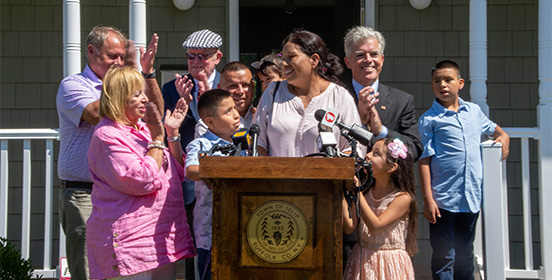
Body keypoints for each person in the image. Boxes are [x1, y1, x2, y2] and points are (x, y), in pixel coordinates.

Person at [56, 25, 161, 279]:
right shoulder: (73, 86)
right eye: (112, 56)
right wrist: (123, 87)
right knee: (89, 271)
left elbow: (155, 111)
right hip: (84, 193)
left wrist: (146, 74)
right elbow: (95, 114)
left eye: (123, 57)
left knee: (122, 272)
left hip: (125, 194)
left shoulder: (128, 87)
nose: (119, 62)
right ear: (91, 51)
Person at [86, 66, 196, 279]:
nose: (145, 99)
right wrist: (157, 138)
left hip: (159, 237)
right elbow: (142, 180)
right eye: (137, 94)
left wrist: (171, 134)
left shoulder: (143, 129)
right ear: (119, 98)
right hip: (131, 240)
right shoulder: (106, 135)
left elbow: (174, 173)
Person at [418, 60, 510, 280]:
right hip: (443, 200)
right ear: (432, 86)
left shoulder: (474, 112)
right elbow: (424, 161)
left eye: (448, 80)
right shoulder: (429, 120)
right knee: (444, 256)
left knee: (465, 254)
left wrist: (503, 135)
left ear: (460, 83)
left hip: (470, 198)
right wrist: (428, 199)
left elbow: (493, 129)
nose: (443, 84)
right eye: (437, 81)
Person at [161, 29, 223, 279]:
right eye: (191, 56)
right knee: (191, 251)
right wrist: (184, 103)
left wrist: (205, 99)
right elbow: (168, 129)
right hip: (190, 182)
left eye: (203, 56)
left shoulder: (227, 85)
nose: (196, 61)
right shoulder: (173, 88)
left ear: (217, 57)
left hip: (221, 179)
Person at [254, 29, 363, 157]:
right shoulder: (273, 92)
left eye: (291, 57)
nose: (284, 64)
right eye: (283, 58)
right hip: (278, 176)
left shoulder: (340, 97)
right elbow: (258, 143)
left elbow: (355, 148)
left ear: (314, 60)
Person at [185, 89, 244, 280]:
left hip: (240, 232)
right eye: (227, 111)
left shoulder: (243, 146)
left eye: (234, 108)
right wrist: (221, 172)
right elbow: (191, 170)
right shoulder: (201, 145)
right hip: (210, 233)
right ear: (209, 121)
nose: (236, 114)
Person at [342, 138, 418, 279]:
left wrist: (357, 192)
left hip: (389, 263)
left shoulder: (402, 198)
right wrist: (341, 191)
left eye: (376, 154)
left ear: (391, 167)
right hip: (362, 259)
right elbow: (349, 227)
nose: (368, 155)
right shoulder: (365, 192)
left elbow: (376, 226)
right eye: (371, 151)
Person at [343, 26, 422, 160]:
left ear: (382, 59)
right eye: (360, 55)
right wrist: (359, 122)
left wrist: (381, 132)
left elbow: (413, 150)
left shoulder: (402, 101)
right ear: (348, 62)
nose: (368, 60)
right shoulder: (335, 97)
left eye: (374, 54)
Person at [193, 61, 256, 137]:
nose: (240, 91)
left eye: (245, 85)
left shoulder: (263, 117)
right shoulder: (208, 125)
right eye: (233, 86)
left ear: (252, 86)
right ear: (220, 88)